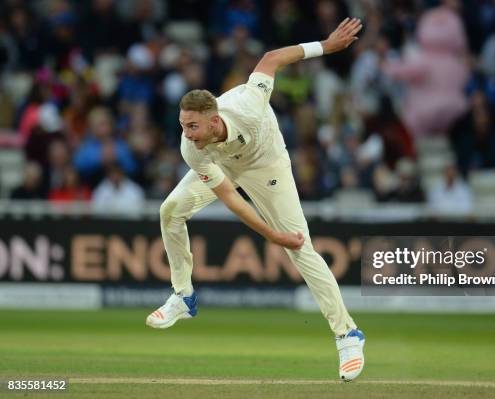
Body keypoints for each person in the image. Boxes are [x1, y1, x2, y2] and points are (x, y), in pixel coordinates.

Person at [146, 18, 366, 382]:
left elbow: (271, 58)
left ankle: (347, 335)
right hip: (224, 165)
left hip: (266, 163)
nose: (186, 133)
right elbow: (230, 198)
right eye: (183, 125)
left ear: (214, 120)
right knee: (170, 210)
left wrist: (325, 46)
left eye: (192, 126)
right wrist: (270, 236)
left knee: (300, 247)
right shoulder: (194, 147)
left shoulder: (248, 103)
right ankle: (183, 297)